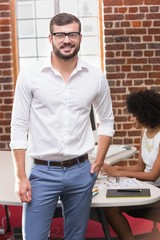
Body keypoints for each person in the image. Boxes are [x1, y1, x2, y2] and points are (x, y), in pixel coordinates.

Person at [10, 13, 115, 240]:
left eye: (72, 34)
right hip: (42, 172)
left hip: (81, 171)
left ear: (80, 37)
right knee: (34, 237)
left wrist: (98, 161)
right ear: (50, 38)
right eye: (60, 34)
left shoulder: (95, 77)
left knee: (76, 237)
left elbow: (107, 121)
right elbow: (18, 125)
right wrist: (20, 176)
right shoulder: (30, 75)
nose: (66, 40)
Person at [101, 89, 160, 240]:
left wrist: (119, 173)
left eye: (135, 115)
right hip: (146, 185)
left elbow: (153, 175)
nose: (133, 119)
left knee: (112, 208)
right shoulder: (144, 133)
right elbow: (139, 167)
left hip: (156, 190)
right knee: (109, 207)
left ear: (146, 113)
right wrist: (114, 168)